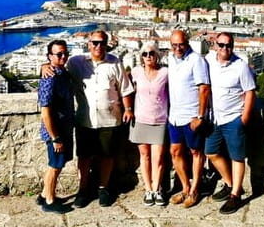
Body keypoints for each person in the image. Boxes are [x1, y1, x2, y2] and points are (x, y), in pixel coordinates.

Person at [45, 30, 134, 208]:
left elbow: (125, 89)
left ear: (107, 44)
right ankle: (83, 190)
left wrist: (129, 108)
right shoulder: (76, 62)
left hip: (110, 118)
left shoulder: (115, 62)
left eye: (102, 42)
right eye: (94, 42)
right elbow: (57, 66)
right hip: (85, 119)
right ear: (88, 44)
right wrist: (43, 65)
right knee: (84, 157)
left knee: (107, 156)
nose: (98, 46)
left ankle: (103, 188)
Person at [205, 32, 256, 215]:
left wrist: (245, 118)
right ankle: (229, 183)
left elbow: (250, 91)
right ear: (215, 45)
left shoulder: (241, 66)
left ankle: (235, 195)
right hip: (215, 118)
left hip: (234, 118)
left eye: (229, 45)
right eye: (221, 45)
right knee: (210, 152)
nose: (225, 48)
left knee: (237, 157)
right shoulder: (209, 61)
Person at [166, 29, 210, 208]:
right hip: (174, 116)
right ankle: (185, 187)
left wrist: (200, 116)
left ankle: (195, 190)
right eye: (174, 45)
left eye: (181, 44)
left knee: (196, 152)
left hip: (191, 116)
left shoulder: (197, 60)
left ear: (187, 43)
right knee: (175, 152)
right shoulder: (170, 59)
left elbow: (204, 88)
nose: (177, 48)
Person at [128, 41, 168, 206]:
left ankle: (157, 188)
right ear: (141, 57)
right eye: (145, 54)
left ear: (157, 55)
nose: (148, 56)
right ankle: (148, 189)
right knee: (144, 156)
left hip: (159, 120)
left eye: (151, 53)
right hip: (141, 119)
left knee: (158, 158)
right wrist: (128, 109)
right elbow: (125, 89)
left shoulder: (165, 72)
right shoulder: (136, 72)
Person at [37, 40, 74, 213]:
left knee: (58, 164)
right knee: (55, 165)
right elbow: (45, 111)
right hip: (55, 131)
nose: (63, 56)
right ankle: (50, 202)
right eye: (59, 54)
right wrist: (55, 138)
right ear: (50, 56)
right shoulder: (49, 78)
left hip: (64, 128)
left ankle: (45, 194)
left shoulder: (62, 72)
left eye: (65, 53)